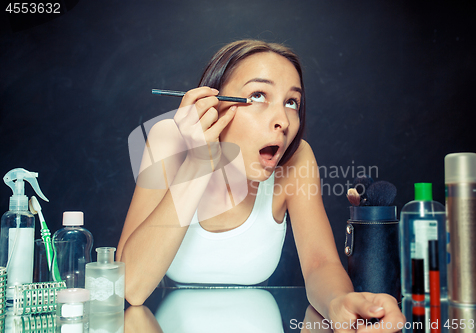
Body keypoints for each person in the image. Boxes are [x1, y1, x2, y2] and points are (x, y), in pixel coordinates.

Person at [117, 39, 405, 330]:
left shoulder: (297, 158)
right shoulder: (168, 138)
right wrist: (197, 163)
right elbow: (132, 287)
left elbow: (320, 264)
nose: (283, 120)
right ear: (212, 103)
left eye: (291, 102)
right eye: (257, 96)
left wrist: (338, 302)